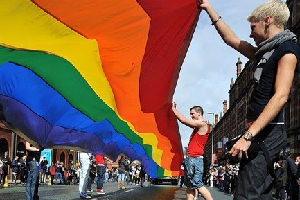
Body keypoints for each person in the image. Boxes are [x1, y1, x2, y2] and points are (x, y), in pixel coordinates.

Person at [198, 0, 300, 199]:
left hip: (267, 133)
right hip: (258, 133)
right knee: (260, 195)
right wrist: (209, 10)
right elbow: (233, 40)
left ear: (267, 21)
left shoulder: (287, 51)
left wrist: (247, 137)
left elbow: (280, 97)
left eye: (253, 27)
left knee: (245, 195)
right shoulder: (264, 52)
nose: (250, 33)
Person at [172, 102, 213, 200]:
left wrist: (173, 109)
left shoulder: (202, 124)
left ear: (199, 114)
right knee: (190, 186)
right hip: (191, 159)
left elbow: (183, 120)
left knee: (198, 185)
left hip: (195, 159)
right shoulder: (197, 127)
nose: (191, 116)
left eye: (192, 113)